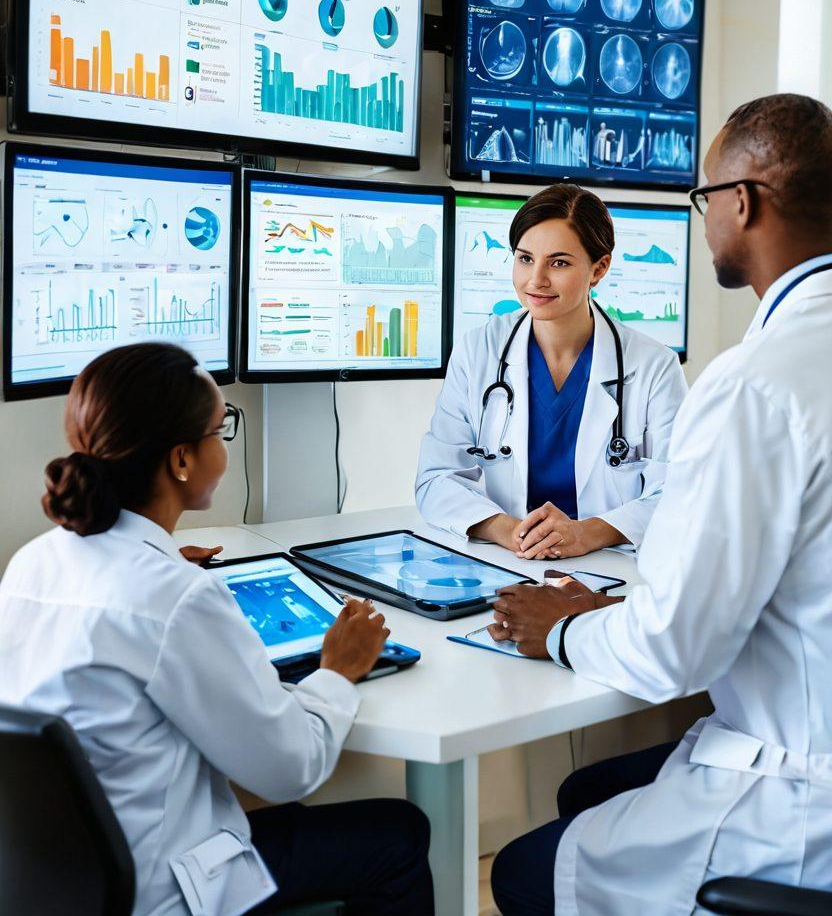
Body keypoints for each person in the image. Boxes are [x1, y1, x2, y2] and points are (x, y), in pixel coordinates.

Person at [488, 93, 832, 915]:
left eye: (705, 197)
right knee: (589, 791)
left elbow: (679, 647)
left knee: (517, 873)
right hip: (798, 736)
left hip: (797, 799)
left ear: (740, 203)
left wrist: (563, 626)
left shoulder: (754, 383)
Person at [0, 343, 433, 916]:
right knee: (397, 835)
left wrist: (167, 572)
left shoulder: (33, 562)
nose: (223, 441)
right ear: (182, 459)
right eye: (221, 426)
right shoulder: (177, 598)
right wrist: (336, 670)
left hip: (58, 887)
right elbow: (290, 770)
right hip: (161, 891)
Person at [416, 184, 687, 559]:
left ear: (599, 268)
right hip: (509, 560)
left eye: (559, 263)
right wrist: (508, 530)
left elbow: (680, 492)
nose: (535, 280)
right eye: (525, 258)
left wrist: (584, 535)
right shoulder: (478, 350)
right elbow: (435, 479)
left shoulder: (654, 366)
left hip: (609, 566)